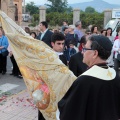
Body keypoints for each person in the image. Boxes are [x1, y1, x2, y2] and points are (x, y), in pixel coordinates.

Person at [58, 35, 120, 120]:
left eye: (85, 49)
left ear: (95, 53)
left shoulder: (84, 81)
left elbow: (69, 112)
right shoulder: (115, 76)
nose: (82, 52)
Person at [38, 32, 67, 120]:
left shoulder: (63, 58)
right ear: (52, 44)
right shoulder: (46, 57)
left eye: (62, 43)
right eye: (58, 43)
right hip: (46, 92)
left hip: (59, 92)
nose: (61, 46)